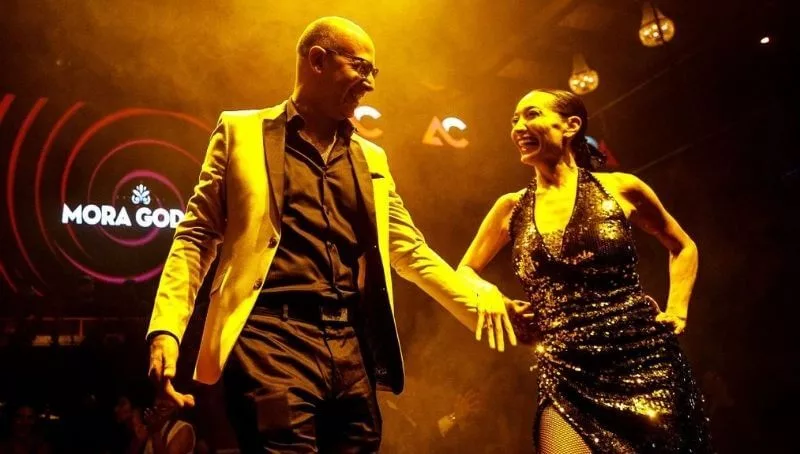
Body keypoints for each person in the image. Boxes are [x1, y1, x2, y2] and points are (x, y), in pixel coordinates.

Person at [146, 16, 513, 453]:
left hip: (350, 346)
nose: (370, 84)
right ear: (317, 60)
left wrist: (483, 308)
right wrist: (166, 329)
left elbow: (410, 251)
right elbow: (196, 236)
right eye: (361, 67)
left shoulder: (371, 157)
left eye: (374, 72)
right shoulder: (241, 131)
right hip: (268, 339)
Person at [457, 89, 713, 453]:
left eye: (531, 114)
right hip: (565, 370)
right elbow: (465, 270)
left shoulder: (622, 188)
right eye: (514, 120)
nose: (518, 127)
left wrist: (677, 310)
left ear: (571, 125)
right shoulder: (511, 207)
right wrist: (489, 292)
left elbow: (683, 247)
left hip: (644, 361)